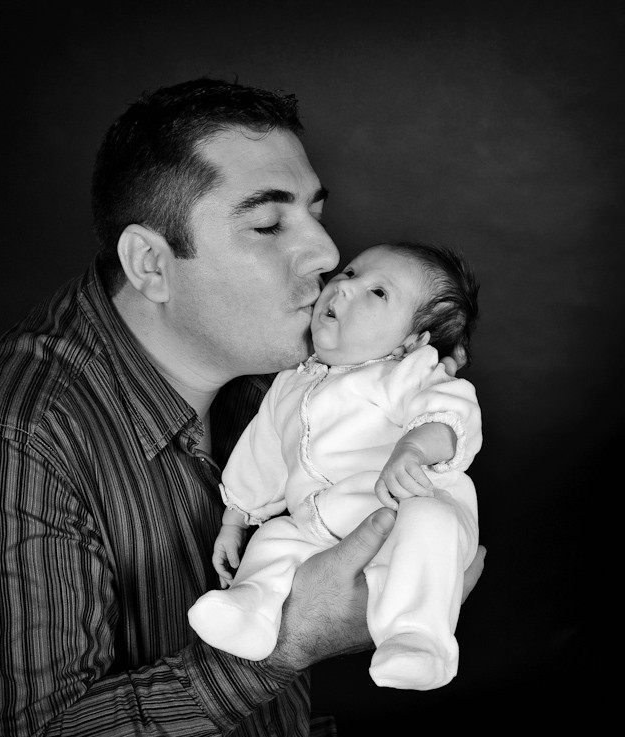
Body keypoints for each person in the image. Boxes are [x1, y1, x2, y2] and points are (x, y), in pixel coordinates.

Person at [0, 78, 485, 737]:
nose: (327, 254)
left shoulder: (276, 372)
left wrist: (419, 379)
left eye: (315, 213)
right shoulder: (2, 453)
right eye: (269, 225)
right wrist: (289, 640)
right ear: (151, 264)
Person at [188, 243, 481, 691]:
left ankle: (417, 639)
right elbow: (263, 453)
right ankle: (251, 610)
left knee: (430, 523)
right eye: (350, 272)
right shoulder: (290, 382)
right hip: (320, 524)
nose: (344, 287)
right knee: (274, 539)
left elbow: (449, 413)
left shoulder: (407, 373)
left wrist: (414, 449)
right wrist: (236, 519)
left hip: (401, 507)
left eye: (378, 292)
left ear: (413, 341)